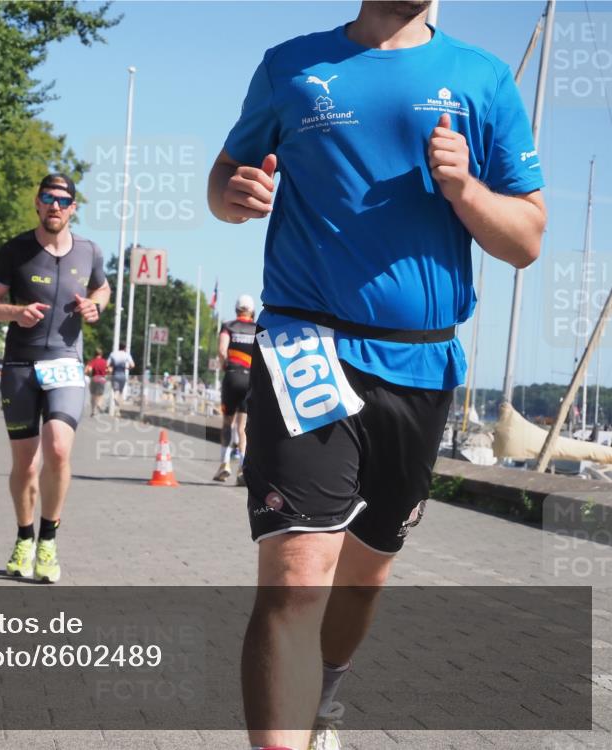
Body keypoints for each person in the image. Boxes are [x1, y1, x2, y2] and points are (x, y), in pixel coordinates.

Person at [207, 3, 546, 749]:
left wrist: (466, 191)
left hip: (421, 360)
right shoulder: (290, 66)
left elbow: (526, 239)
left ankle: (325, 695)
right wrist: (233, 196)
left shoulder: (481, 79)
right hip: (304, 340)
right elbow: (224, 177)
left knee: (366, 570)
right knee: (299, 571)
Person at [0, 174, 111, 584]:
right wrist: (15, 313)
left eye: (63, 200)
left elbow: (103, 290)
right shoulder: (15, 251)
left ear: (73, 208)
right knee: (25, 463)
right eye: (47, 198)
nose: (55, 205)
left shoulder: (89, 251)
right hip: (20, 365)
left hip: (66, 364)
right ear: (37, 204)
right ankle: (24, 537)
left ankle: (49, 539)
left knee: (57, 449)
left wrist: (94, 306)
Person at [214, 295, 257, 486]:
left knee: (227, 423)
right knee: (243, 427)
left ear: (236, 310)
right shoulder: (257, 329)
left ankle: (224, 463)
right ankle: (242, 467)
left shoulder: (228, 326)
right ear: (252, 311)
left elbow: (222, 350)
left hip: (232, 376)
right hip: (250, 379)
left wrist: (225, 365)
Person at [107, 345, 135, 417]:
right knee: (121, 392)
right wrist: (126, 368)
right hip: (122, 375)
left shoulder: (113, 354)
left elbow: (107, 364)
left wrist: (111, 367)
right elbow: (132, 365)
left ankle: (115, 399)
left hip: (115, 374)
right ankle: (118, 410)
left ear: (118, 347)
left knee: (116, 391)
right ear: (124, 348)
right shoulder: (126, 355)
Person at [84, 347, 109, 417]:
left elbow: (87, 370)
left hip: (94, 378)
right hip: (102, 379)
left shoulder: (92, 361)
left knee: (93, 395)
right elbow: (109, 370)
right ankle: (99, 404)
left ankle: (93, 410)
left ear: (95, 354)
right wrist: (106, 372)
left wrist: (88, 373)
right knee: (100, 394)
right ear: (101, 354)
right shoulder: (104, 361)